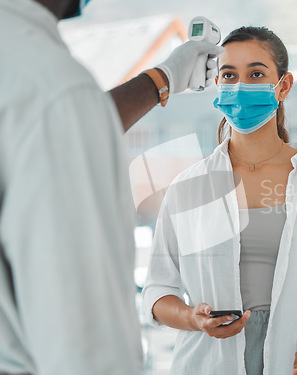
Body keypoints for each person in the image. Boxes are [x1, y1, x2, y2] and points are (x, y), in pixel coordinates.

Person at [0, 0, 223, 374]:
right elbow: (87, 346)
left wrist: (165, 77)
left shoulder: (29, 75)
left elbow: (67, 125)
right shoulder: (54, 87)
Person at [142, 26, 297, 375]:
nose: (241, 86)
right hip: (206, 362)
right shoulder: (188, 187)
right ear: (217, 84)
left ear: (284, 86)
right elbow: (158, 289)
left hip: (293, 361)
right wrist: (192, 317)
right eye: (229, 75)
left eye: (256, 74)